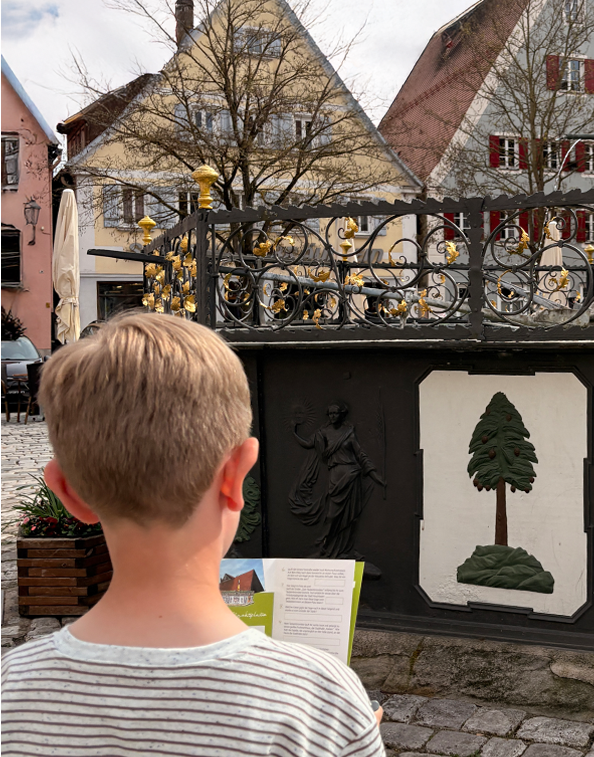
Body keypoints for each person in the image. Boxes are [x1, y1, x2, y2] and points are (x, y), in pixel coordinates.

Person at [1, 313, 384, 757]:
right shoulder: (321, 698)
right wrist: (350, 730)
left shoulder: (14, 689)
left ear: (68, 492)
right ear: (237, 475)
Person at [289, 401, 385, 561]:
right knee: (333, 514)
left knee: (351, 516)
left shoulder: (349, 432)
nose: (333, 416)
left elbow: (360, 454)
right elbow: (307, 444)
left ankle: (347, 550)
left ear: (342, 415)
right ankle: (325, 548)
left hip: (352, 474)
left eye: (336, 413)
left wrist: (374, 474)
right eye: (330, 414)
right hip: (336, 475)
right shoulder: (323, 432)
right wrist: (294, 431)